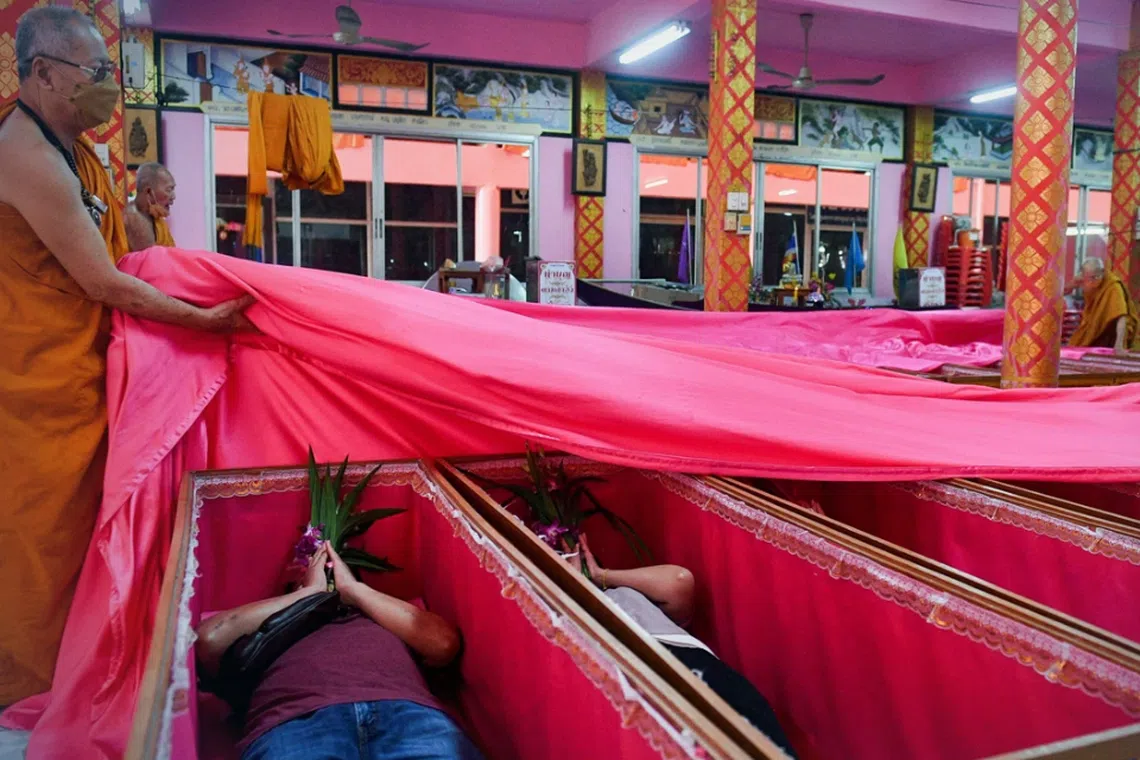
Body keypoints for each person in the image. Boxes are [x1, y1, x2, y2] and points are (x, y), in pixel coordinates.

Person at [0, 6, 252, 705]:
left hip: (79, 365)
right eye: (98, 73)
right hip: (35, 384)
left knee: (82, 531)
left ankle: (84, 660)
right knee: (43, 539)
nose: (108, 87)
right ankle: (32, 687)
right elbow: (104, 281)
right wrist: (201, 320)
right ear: (44, 73)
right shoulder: (24, 153)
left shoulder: (72, 149)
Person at [196, 542, 484, 760]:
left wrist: (355, 591)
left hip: (408, 718)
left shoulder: (382, 615)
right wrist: (309, 595)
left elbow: (444, 644)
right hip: (296, 723)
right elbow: (210, 639)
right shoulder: (270, 630)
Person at [563, 534, 797, 758]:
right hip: (641, 684)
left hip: (698, 669)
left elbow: (680, 580)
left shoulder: (620, 594)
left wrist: (600, 575)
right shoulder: (559, 620)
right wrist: (570, 592)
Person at [1068, 258, 1138, 354]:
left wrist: (1119, 345)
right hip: (1093, 325)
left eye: (1096, 277)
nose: (1093, 281)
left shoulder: (1113, 287)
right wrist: (1073, 284)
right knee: (1076, 345)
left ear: (1102, 272)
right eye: (1090, 278)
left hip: (1111, 331)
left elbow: (1121, 316)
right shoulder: (1082, 279)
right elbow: (1063, 291)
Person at [124, 161, 177, 251]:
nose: (173, 197)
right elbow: (148, 261)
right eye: (168, 190)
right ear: (148, 192)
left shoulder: (157, 220)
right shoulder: (132, 217)